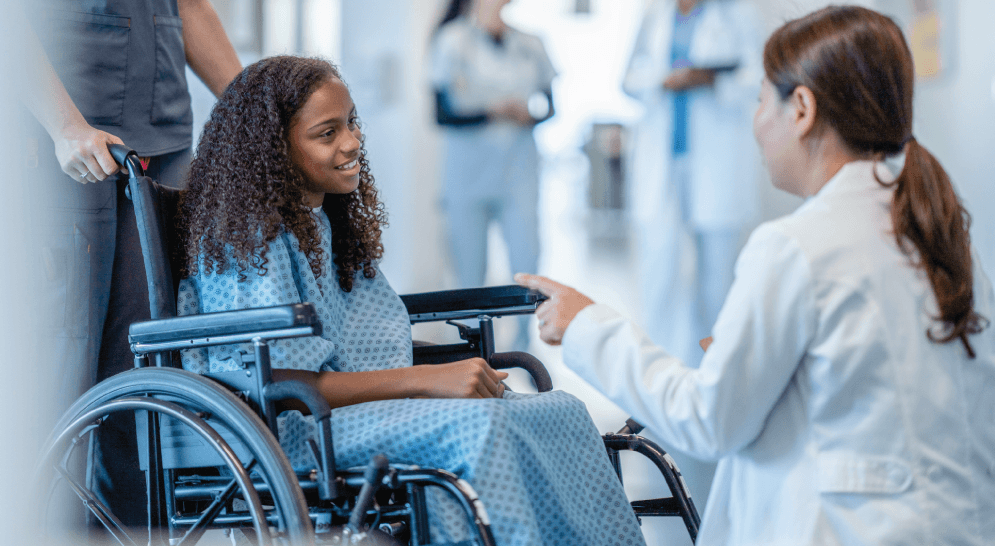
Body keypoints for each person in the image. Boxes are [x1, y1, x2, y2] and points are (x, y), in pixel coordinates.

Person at [517, 6, 995, 545]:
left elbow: (706, 420)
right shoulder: (939, 231)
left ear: (802, 109)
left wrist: (587, 324)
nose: (756, 120)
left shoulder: (796, 247)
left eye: (763, 98)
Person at [177, 55, 644, 546]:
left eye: (352, 123)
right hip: (296, 430)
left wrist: (433, 382)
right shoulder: (249, 239)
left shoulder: (321, 222)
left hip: (358, 415)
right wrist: (429, 381)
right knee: (479, 426)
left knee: (560, 410)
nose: (353, 142)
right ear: (273, 150)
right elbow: (281, 380)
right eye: (327, 133)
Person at [20, 0, 242, 528]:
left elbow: (189, 6)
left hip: (160, 138)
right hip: (69, 144)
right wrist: (65, 126)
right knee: (62, 373)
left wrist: (267, 114)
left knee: (148, 373)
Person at [622, 0, 763, 369]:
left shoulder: (737, 16)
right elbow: (628, 79)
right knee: (660, 265)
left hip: (716, 161)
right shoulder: (654, 16)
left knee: (717, 274)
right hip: (664, 160)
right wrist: (661, 81)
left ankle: (715, 366)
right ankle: (664, 367)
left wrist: (710, 78)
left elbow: (759, 78)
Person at [429, 0, 556, 350]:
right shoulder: (452, 40)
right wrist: (492, 111)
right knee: (470, 267)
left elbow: (549, 106)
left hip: (519, 171)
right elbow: (440, 114)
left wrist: (530, 115)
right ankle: (474, 350)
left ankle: (524, 344)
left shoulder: (530, 43)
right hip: (467, 173)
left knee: (527, 257)